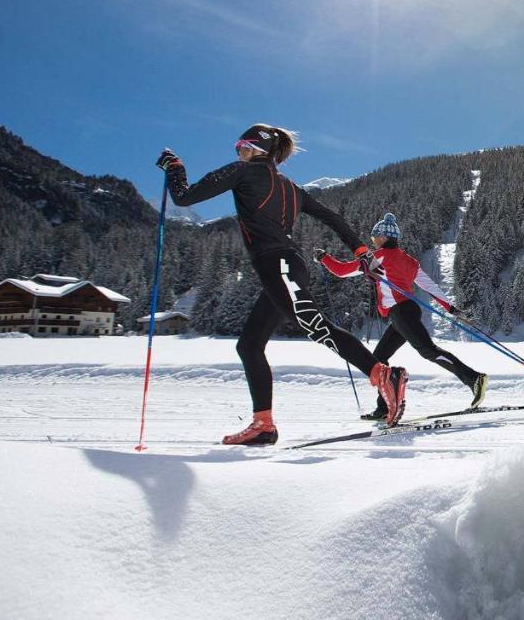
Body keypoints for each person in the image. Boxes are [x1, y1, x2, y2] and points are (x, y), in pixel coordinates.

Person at [155, 124, 408, 445]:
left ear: (257, 148)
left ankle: (384, 375)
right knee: (248, 345)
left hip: (279, 266)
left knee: (316, 327)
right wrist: (359, 250)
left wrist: (175, 169)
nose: (237, 152)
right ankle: (263, 424)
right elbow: (333, 218)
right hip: (285, 267)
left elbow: (184, 196)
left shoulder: (242, 172)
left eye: (240, 145)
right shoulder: (291, 188)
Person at [316, 212, 487, 420]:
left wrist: (324, 258)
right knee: (378, 359)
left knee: (428, 350)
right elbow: (430, 286)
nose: (373, 242)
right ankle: (384, 408)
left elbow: (341, 271)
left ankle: (474, 378)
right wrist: (451, 309)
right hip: (404, 312)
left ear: (383, 237)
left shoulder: (375, 258)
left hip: (401, 312)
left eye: (374, 237)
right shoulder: (409, 261)